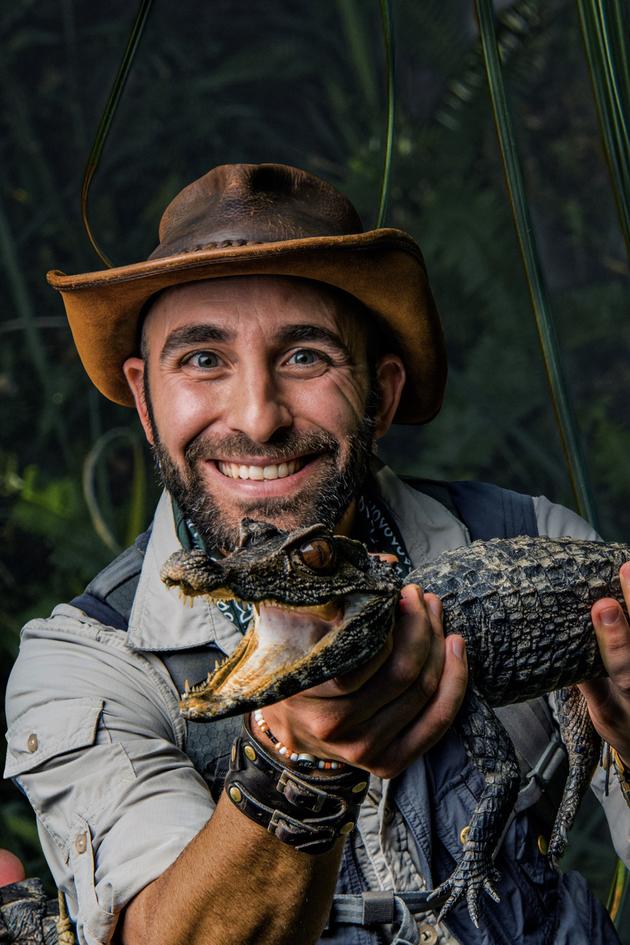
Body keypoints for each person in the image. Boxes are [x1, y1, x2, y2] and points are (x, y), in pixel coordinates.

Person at [4, 163, 630, 945]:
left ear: (382, 394)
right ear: (144, 398)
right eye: (202, 358)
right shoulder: (87, 661)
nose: (258, 418)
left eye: (305, 355)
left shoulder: (543, 547)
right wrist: (298, 764)